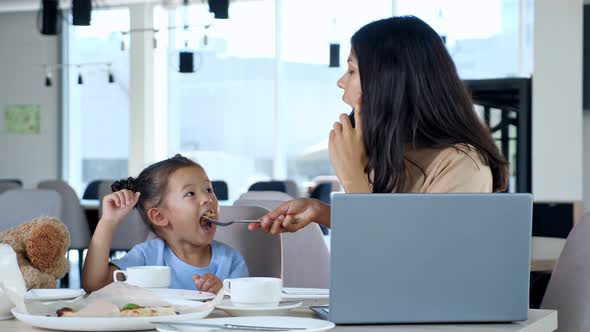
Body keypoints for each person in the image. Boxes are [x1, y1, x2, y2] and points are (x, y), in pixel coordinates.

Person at [249, 16, 509, 235]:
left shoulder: (463, 165)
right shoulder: (389, 154)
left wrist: (352, 177)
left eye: (351, 71)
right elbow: (398, 230)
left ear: (388, 83)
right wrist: (321, 211)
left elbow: (411, 263)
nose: (341, 82)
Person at [82, 154, 248, 293]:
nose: (207, 198)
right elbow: (94, 285)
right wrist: (108, 221)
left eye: (208, 189)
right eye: (190, 193)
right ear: (159, 216)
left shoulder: (231, 261)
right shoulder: (147, 256)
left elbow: (243, 308)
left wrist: (223, 293)